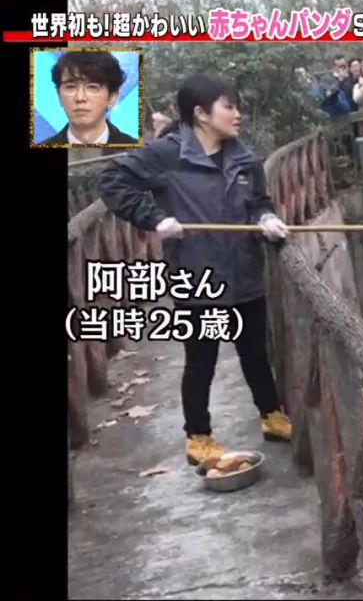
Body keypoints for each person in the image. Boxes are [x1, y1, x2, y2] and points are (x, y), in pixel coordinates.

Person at [98, 73, 293, 467]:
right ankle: (198, 437)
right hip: (198, 277)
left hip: (244, 273)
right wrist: (154, 218)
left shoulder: (244, 158)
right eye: (229, 107)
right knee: (201, 360)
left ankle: (272, 416)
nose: (237, 114)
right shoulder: (167, 155)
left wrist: (267, 219)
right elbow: (112, 181)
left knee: (254, 351)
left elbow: (258, 202)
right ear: (202, 114)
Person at [39, 51, 139, 146]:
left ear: (113, 97)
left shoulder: (137, 151)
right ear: (59, 96)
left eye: (92, 87)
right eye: (70, 87)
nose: (80, 98)